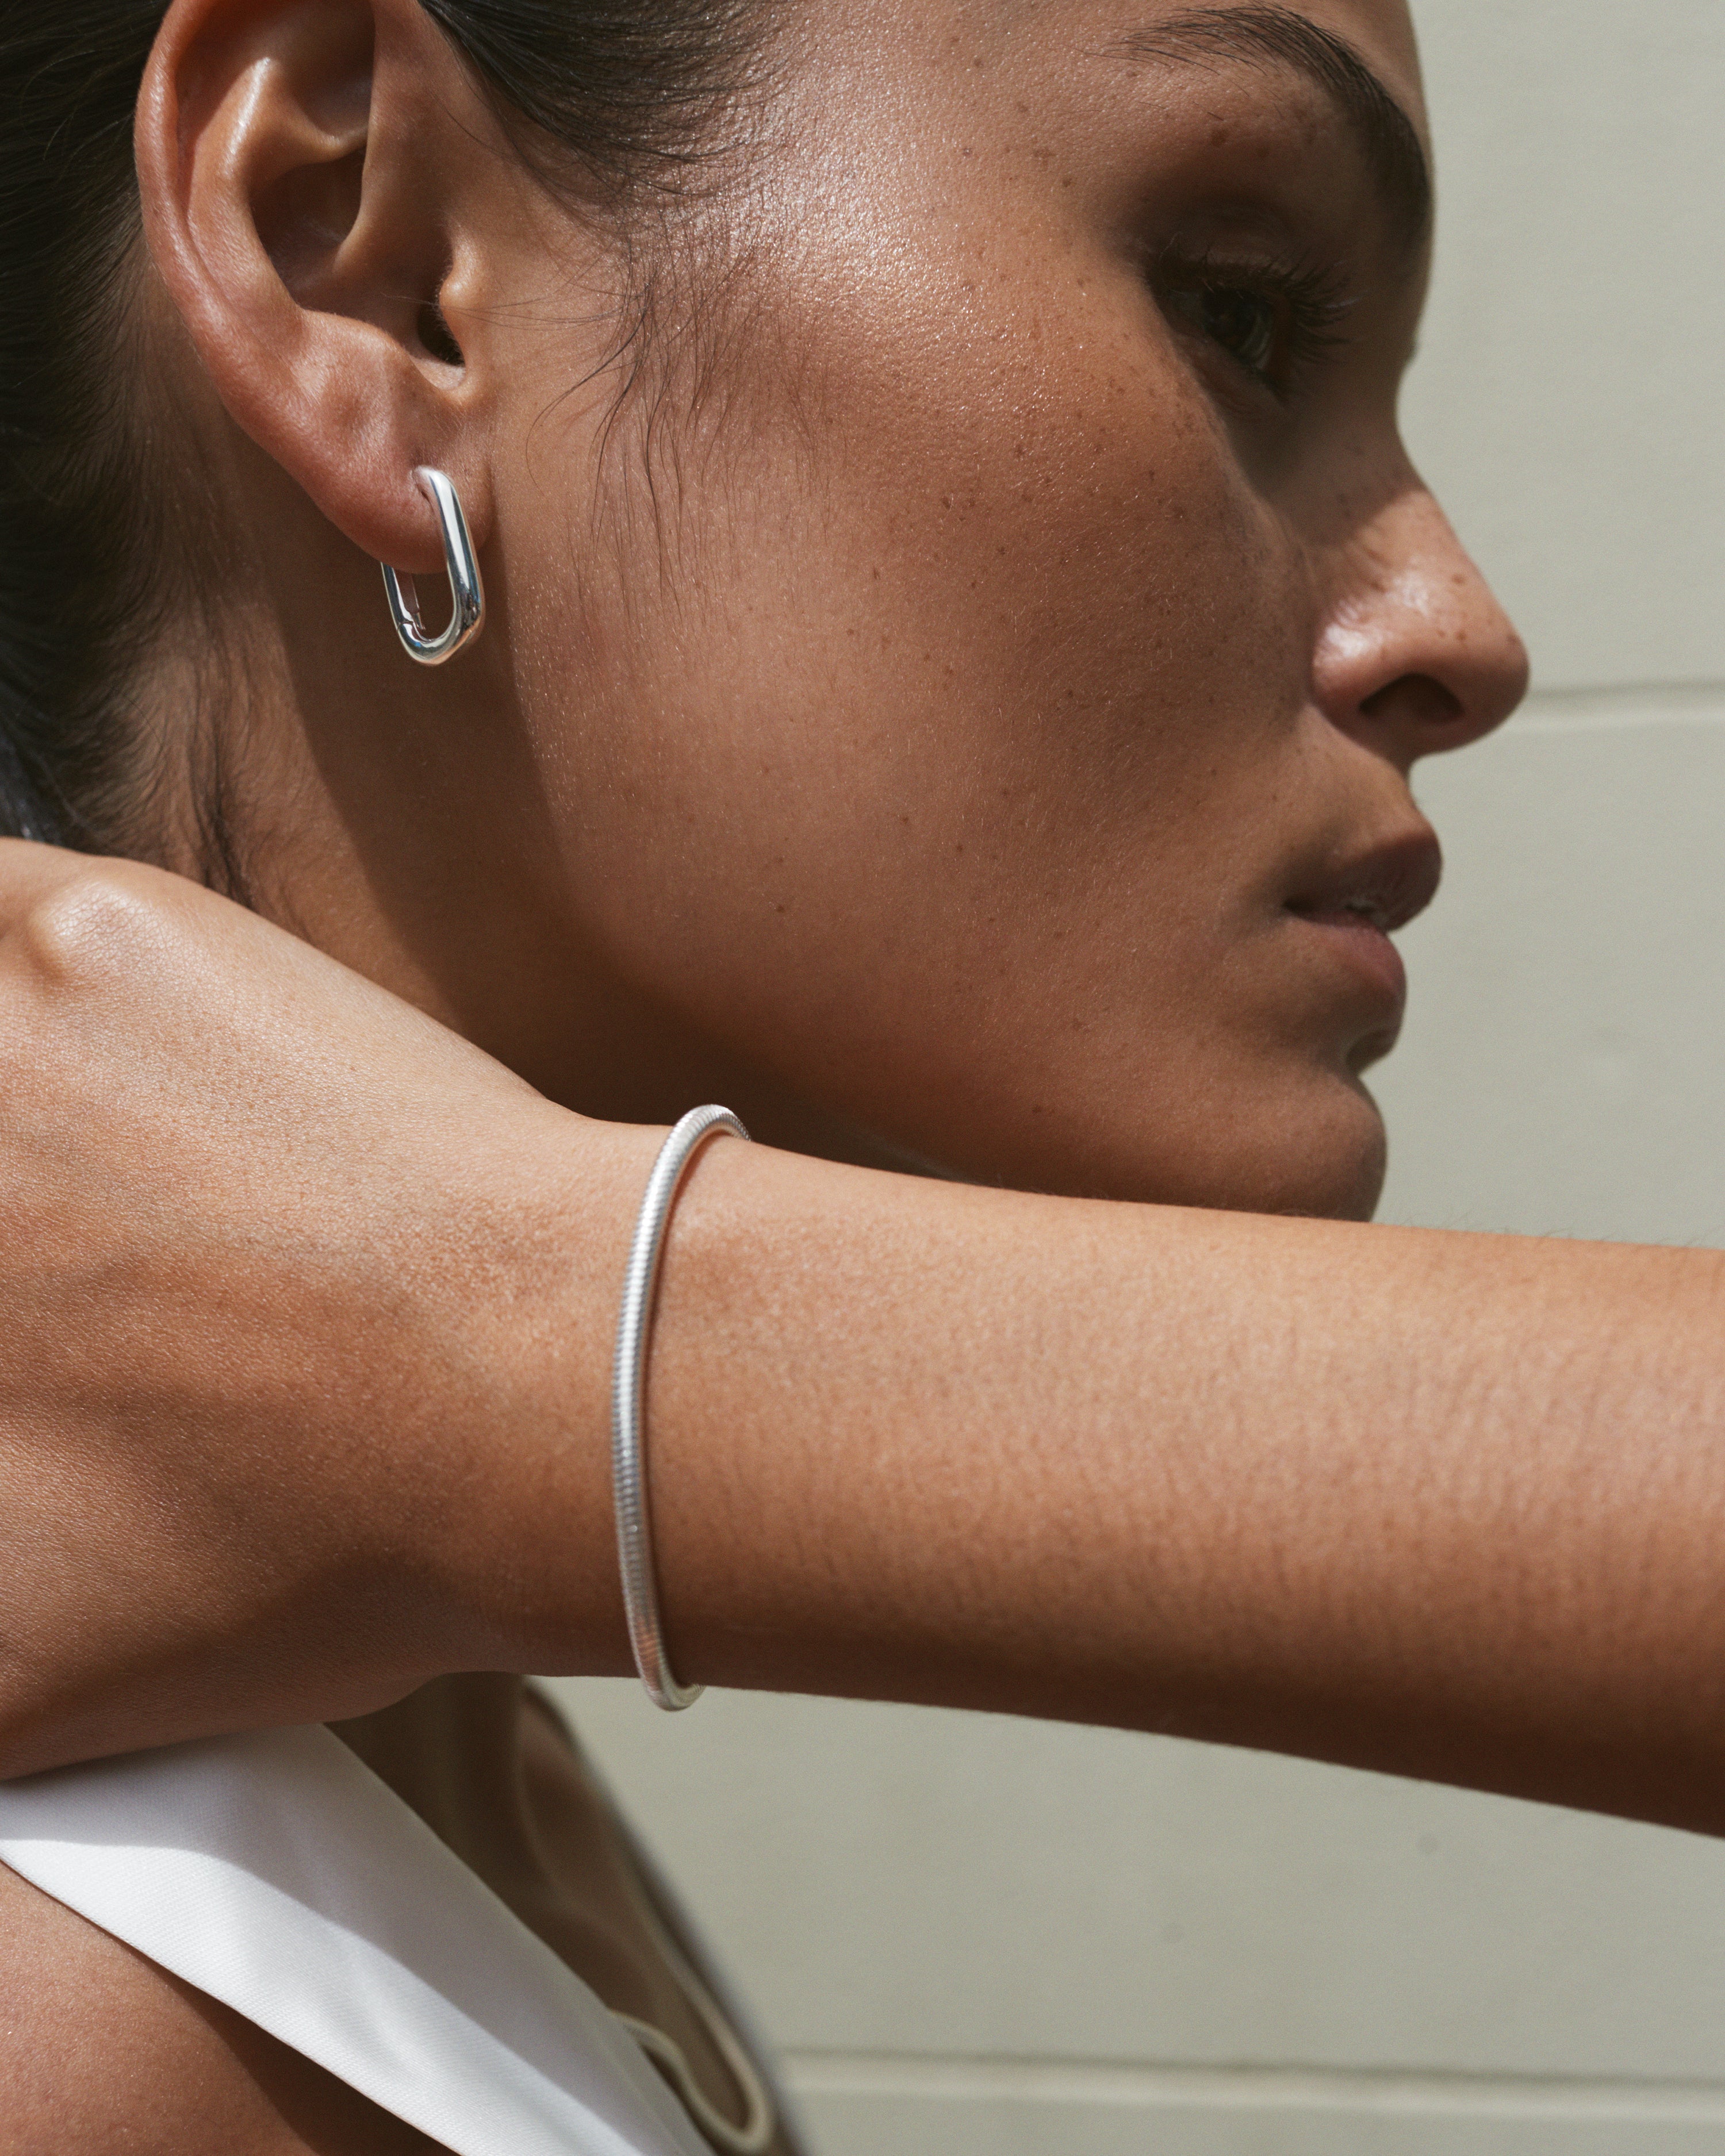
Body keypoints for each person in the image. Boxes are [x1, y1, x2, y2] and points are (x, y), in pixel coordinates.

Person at [1, 0, 1720, 2147]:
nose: (1458, 627)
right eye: (1242, 310)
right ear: (372, 262)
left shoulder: (453, 1775)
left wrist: (511, 1353)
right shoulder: (88, 2028)